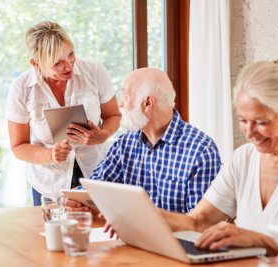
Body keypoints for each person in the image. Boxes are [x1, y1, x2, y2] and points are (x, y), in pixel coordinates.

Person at [159, 59, 278, 256]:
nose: (249, 132)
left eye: (261, 122)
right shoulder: (243, 158)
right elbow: (199, 221)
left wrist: (260, 241)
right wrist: (146, 216)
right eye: (243, 120)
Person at [69, 68, 221, 213]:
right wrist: (73, 198)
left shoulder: (201, 150)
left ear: (148, 103)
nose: (120, 103)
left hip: (175, 240)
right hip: (130, 236)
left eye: (125, 95)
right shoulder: (125, 143)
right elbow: (96, 186)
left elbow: (200, 225)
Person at [7, 21, 121, 205]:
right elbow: (18, 147)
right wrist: (50, 155)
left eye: (71, 55)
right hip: (50, 185)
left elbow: (113, 116)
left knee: (101, 232)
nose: (68, 66)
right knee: (53, 233)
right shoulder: (22, 88)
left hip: (97, 176)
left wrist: (103, 135)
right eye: (57, 63)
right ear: (36, 64)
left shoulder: (94, 71)